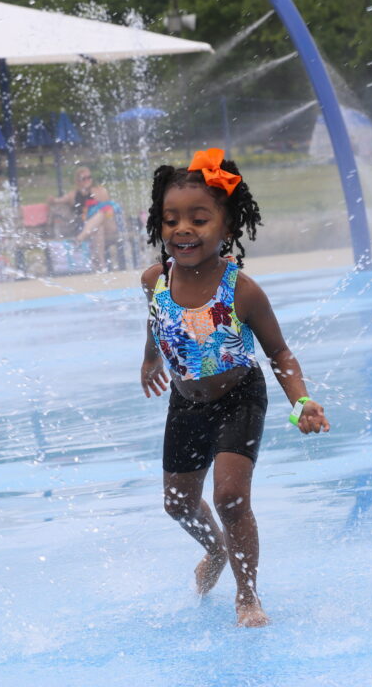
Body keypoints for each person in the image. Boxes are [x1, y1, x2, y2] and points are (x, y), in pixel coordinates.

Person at [140, 148, 330, 628]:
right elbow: (157, 320)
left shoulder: (241, 290)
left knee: (230, 497)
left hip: (239, 397)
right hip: (185, 402)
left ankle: (247, 595)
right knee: (177, 503)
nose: (182, 229)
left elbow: (279, 353)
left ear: (226, 227)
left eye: (198, 219)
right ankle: (215, 549)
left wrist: (302, 400)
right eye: (171, 219)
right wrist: (149, 357)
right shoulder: (154, 280)